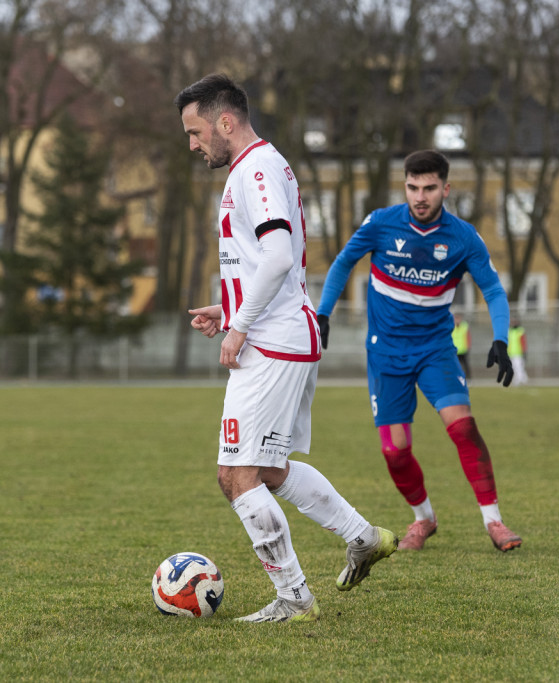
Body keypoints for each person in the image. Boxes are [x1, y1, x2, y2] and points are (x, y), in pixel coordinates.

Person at [175, 74, 397, 623]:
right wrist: (228, 311)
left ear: (225, 122)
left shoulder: (255, 169)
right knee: (268, 469)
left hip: (272, 343)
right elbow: (268, 263)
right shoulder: (258, 168)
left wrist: (240, 326)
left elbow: (277, 258)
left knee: (236, 477)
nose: (193, 144)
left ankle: (295, 598)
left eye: (196, 131)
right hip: (280, 335)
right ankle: (364, 537)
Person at [316, 149, 522, 553]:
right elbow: (342, 263)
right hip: (386, 354)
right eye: (413, 187)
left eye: (429, 188)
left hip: (434, 350)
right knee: (395, 452)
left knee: (463, 427)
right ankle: (424, 518)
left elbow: (494, 289)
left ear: (445, 188)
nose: (420, 196)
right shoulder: (380, 223)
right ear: (404, 187)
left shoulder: (463, 237)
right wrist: (323, 313)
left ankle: (494, 521)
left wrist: (501, 338)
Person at [508, 318, 528, 386]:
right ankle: (524, 379)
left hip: (518, 352)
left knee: (518, 366)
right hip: (511, 352)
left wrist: (524, 350)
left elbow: (523, 342)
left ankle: (519, 380)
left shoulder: (520, 331)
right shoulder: (510, 331)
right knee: (514, 367)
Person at [452, 313, 471, 379]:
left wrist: (468, 346)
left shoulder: (464, 326)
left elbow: (468, 337)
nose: (457, 320)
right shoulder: (451, 326)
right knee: (455, 365)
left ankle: (468, 377)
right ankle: (456, 377)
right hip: (455, 350)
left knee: (465, 364)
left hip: (463, 349)